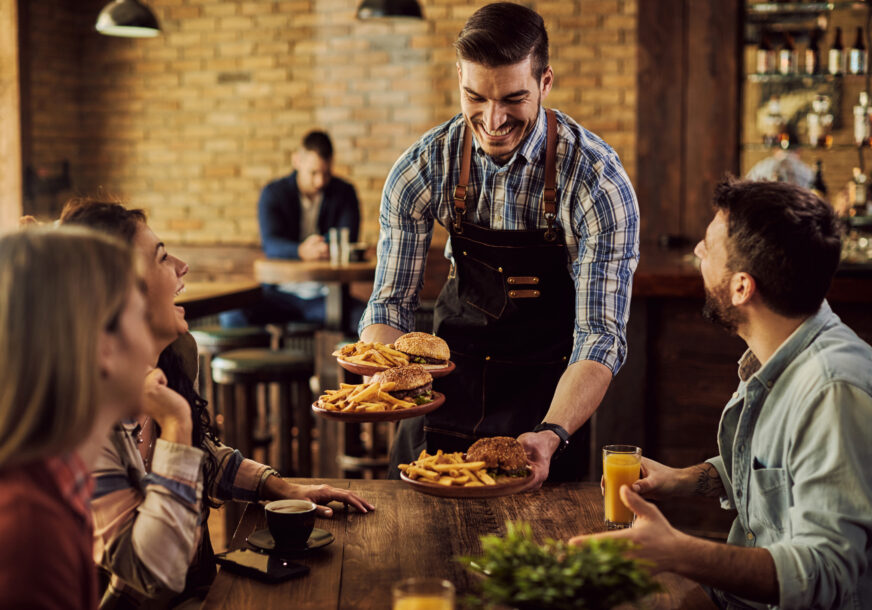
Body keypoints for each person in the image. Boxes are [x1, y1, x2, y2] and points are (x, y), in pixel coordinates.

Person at [359, 2, 639, 485]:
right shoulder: (423, 168)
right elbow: (389, 305)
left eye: (513, 98)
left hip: (548, 409)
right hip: (445, 398)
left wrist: (552, 433)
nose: (492, 120)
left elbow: (601, 335)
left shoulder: (596, 180)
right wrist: (387, 384)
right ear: (459, 80)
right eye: (476, 98)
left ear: (545, 82)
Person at [573, 179, 872, 609]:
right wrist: (679, 481)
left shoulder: (833, 392)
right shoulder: (778, 351)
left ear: (741, 288)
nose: (697, 251)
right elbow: (775, 469)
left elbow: (823, 574)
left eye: (708, 246)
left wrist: (677, 551)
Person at [61, 199, 374, 608]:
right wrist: (175, 424)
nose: (182, 265)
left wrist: (284, 489)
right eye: (161, 257)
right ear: (119, 290)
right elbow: (152, 576)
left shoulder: (172, 361)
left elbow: (203, 457)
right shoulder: (81, 424)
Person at [0, 227, 155, 609]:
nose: (151, 341)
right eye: (142, 315)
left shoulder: (56, 484)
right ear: (103, 345)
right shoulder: (29, 532)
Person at [220, 130, 364, 334]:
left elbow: (347, 239)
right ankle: (269, 363)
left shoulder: (344, 192)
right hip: (279, 295)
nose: (320, 181)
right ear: (297, 161)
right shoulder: (273, 193)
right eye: (313, 173)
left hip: (326, 296)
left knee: (368, 320)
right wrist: (301, 251)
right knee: (232, 316)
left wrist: (324, 248)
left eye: (326, 173)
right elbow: (271, 244)